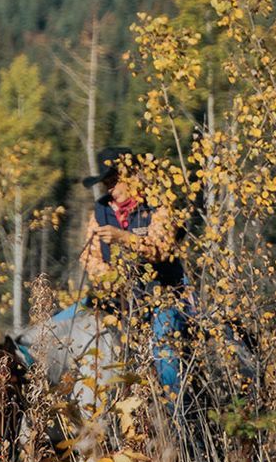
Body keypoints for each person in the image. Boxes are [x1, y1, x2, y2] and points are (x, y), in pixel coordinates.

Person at [52, 146, 189, 398]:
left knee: (164, 346)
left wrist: (124, 238)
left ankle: (176, 417)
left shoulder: (159, 206)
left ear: (133, 175)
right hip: (116, 298)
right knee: (55, 328)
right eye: (106, 182)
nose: (109, 188)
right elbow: (89, 256)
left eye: (114, 180)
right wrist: (109, 279)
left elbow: (161, 249)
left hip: (163, 295)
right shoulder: (101, 211)